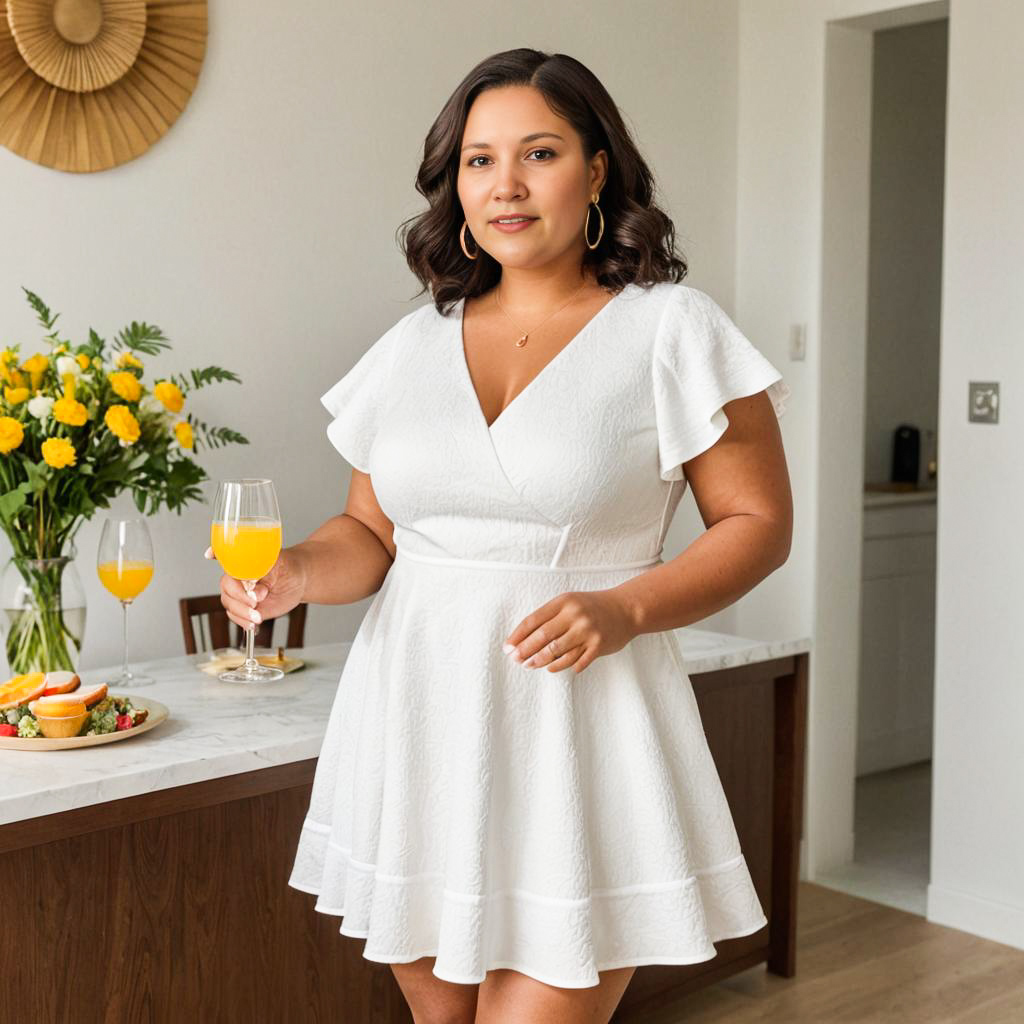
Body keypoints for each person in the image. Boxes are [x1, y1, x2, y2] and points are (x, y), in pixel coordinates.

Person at [211, 47, 793, 1024]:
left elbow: (757, 523)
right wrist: (293, 571)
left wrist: (625, 606)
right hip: (418, 723)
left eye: (538, 153)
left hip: (583, 727)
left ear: (596, 167)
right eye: (478, 160)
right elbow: (368, 531)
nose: (504, 185)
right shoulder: (412, 343)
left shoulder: (670, 329)